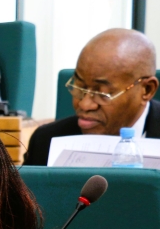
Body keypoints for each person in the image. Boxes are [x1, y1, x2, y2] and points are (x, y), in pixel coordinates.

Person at [25, 29, 160, 166]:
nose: (84, 104)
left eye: (102, 93)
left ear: (147, 90)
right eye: (79, 87)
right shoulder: (46, 141)